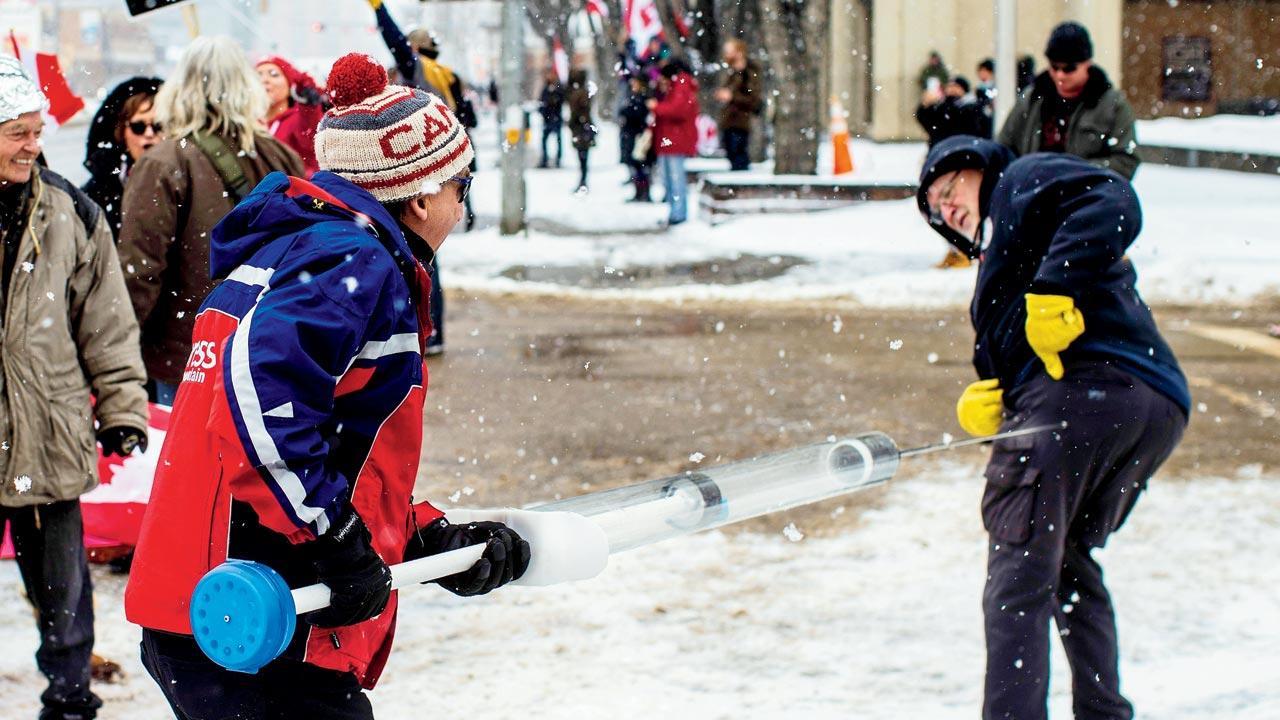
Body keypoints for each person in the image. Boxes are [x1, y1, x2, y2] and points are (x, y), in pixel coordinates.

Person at [125, 53, 529, 720]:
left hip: (226, 604)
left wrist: (424, 540)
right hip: (257, 619)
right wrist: (332, 539)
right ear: (421, 196)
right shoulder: (350, 260)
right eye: (463, 187)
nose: (463, 206)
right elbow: (259, 411)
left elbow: (334, 441)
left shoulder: (311, 248)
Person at [917, 135, 1190, 720]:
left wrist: (1054, 287)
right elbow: (1010, 348)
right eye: (936, 208)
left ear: (979, 168)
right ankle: (1103, 712)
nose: (946, 207)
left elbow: (1113, 198)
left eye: (949, 188)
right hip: (1150, 406)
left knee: (1017, 576)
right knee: (1067, 565)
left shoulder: (1020, 182)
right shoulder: (1005, 257)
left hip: (1084, 396)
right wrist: (992, 393)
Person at [0, 56, 149, 720]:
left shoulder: (71, 212)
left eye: (37, 131)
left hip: (48, 429)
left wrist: (124, 410)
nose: (33, 145)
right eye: (17, 132)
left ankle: (69, 694)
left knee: (63, 584)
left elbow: (108, 326)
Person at [118, 37, 303, 406]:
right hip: (265, 351)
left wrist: (111, 354)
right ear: (246, 90)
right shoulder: (281, 157)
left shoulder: (163, 163)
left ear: (180, 90)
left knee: (184, 461)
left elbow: (139, 273)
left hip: (190, 356)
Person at [370, 0, 479, 354]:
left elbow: (395, 44)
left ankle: (422, 333)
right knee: (429, 254)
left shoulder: (419, 71)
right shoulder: (449, 76)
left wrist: (379, 9)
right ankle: (434, 333)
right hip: (448, 174)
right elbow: (468, 125)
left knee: (417, 254)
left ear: (416, 49)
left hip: (419, 175)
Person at [999, 22, 1139, 179]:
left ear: (1087, 64)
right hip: (1032, 195)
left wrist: (1071, 173)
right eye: (1054, 67)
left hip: (1086, 198)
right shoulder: (1032, 99)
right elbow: (1003, 148)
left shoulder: (1113, 105)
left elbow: (1126, 161)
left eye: (1069, 69)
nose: (1060, 75)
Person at [81, 76, 163, 241]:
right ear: (122, 133)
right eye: (138, 127)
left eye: (158, 125)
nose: (149, 134)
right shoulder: (95, 195)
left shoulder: (184, 181)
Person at [257, 55, 328, 177]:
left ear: (290, 85)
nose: (264, 80)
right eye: (258, 76)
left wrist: (308, 106)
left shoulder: (297, 119)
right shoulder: (247, 123)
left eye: (273, 74)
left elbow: (310, 134)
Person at [649, 60, 699, 226]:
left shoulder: (681, 86)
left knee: (676, 180)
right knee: (670, 180)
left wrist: (657, 107)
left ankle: (679, 213)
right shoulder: (676, 86)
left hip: (676, 139)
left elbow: (677, 110)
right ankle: (674, 212)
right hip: (670, 139)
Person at [715, 38, 764, 171]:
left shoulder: (749, 72)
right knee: (731, 153)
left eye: (729, 51)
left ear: (739, 52)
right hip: (729, 121)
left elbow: (753, 99)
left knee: (739, 156)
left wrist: (732, 97)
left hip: (741, 121)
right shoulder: (731, 72)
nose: (726, 55)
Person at [915, 75, 989, 147]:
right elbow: (925, 120)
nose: (952, 89)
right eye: (950, 86)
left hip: (965, 149)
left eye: (956, 86)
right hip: (942, 150)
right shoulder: (940, 107)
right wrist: (925, 105)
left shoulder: (971, 107)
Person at [619, 74, 655, 202]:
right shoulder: (633, 96)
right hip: (632, 135)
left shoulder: (643, 98)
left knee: (642, 166)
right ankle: (639, 192)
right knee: (636, 166)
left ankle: (644, 192)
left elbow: (638, 114)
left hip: (638, 136)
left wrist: (627, 113)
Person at [566, 68, 595, 193]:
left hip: (581, 129)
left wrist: (574, 122)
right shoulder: (581, 92)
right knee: (583, 158)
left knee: (583, 158)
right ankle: (583, 181)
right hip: (582, 129)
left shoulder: (579, 93)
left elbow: (580, 112)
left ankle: (583, 182)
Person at [538, 68, 565, 168]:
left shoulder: (558, 88)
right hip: (547, 119)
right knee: (545, 141)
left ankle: (558, 159)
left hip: (556, 118)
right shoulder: (546, 88)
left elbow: (560, 101)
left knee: (558, 140)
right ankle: (544, 159)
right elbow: (542, 102)